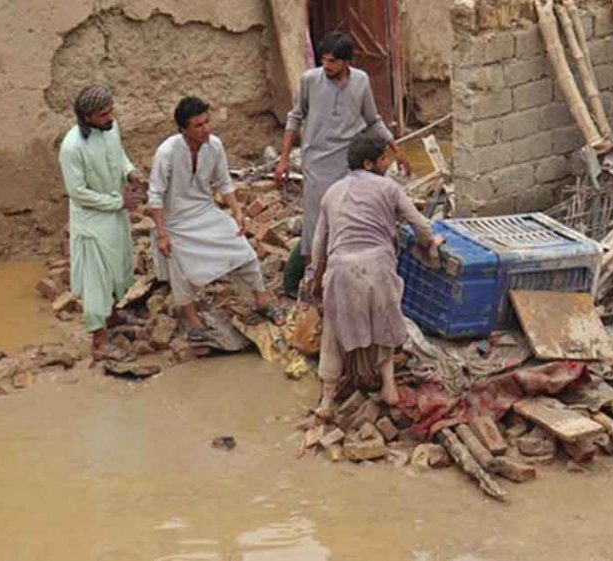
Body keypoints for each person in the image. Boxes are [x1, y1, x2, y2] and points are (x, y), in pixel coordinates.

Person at [308, 135, 442, 414]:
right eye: (384, 159)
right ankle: (389, 387)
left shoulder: (331, 192)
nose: (388, 164)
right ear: (369, 164)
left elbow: (318, 244)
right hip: (378, 266)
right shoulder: (389, 187)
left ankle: (327, 401)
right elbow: (418, 223)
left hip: (341, 268)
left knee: (332, 334)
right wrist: (431, 242)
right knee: (385, 324)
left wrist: (316, 279)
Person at [276, 30, 410, 297]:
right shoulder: (310, 80)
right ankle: (311, 281)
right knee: (315, 221)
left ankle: (340, 280)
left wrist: (397, 149)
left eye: (332, 62)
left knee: (345, 217)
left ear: (346, 61)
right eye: (323, 60)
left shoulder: (361, 81)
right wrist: (283, 159)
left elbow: (373, 120)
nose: (326, 66)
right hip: (316, 161)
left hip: (348, 162)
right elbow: (295, 117)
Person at [148, 96, 284, 341]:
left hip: (205, 212)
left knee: (243, 249)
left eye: (207, 122)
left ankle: (262, 300)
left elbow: (224, 182)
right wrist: (162, 233)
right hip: (175, 222)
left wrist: (238, 212)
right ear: (183, 129)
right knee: (179, 265)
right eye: (199, 125)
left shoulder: (214, 146)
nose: (206, 129)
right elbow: (155, 194)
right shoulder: (166, 152)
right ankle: (191, 319)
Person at [58, 84, 145, 361]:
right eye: (103, 114)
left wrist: (130, 172)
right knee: (97, 280)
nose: (110, 117)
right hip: (92, 221)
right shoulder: (72, 147)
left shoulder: (111, 128)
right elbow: (78, 193)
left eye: (111, 111)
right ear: (87, 117)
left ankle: (114, 316)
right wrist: (118, 202)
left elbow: (118, 155)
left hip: (114, 214)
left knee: (119, 266)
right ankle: (99, 343)